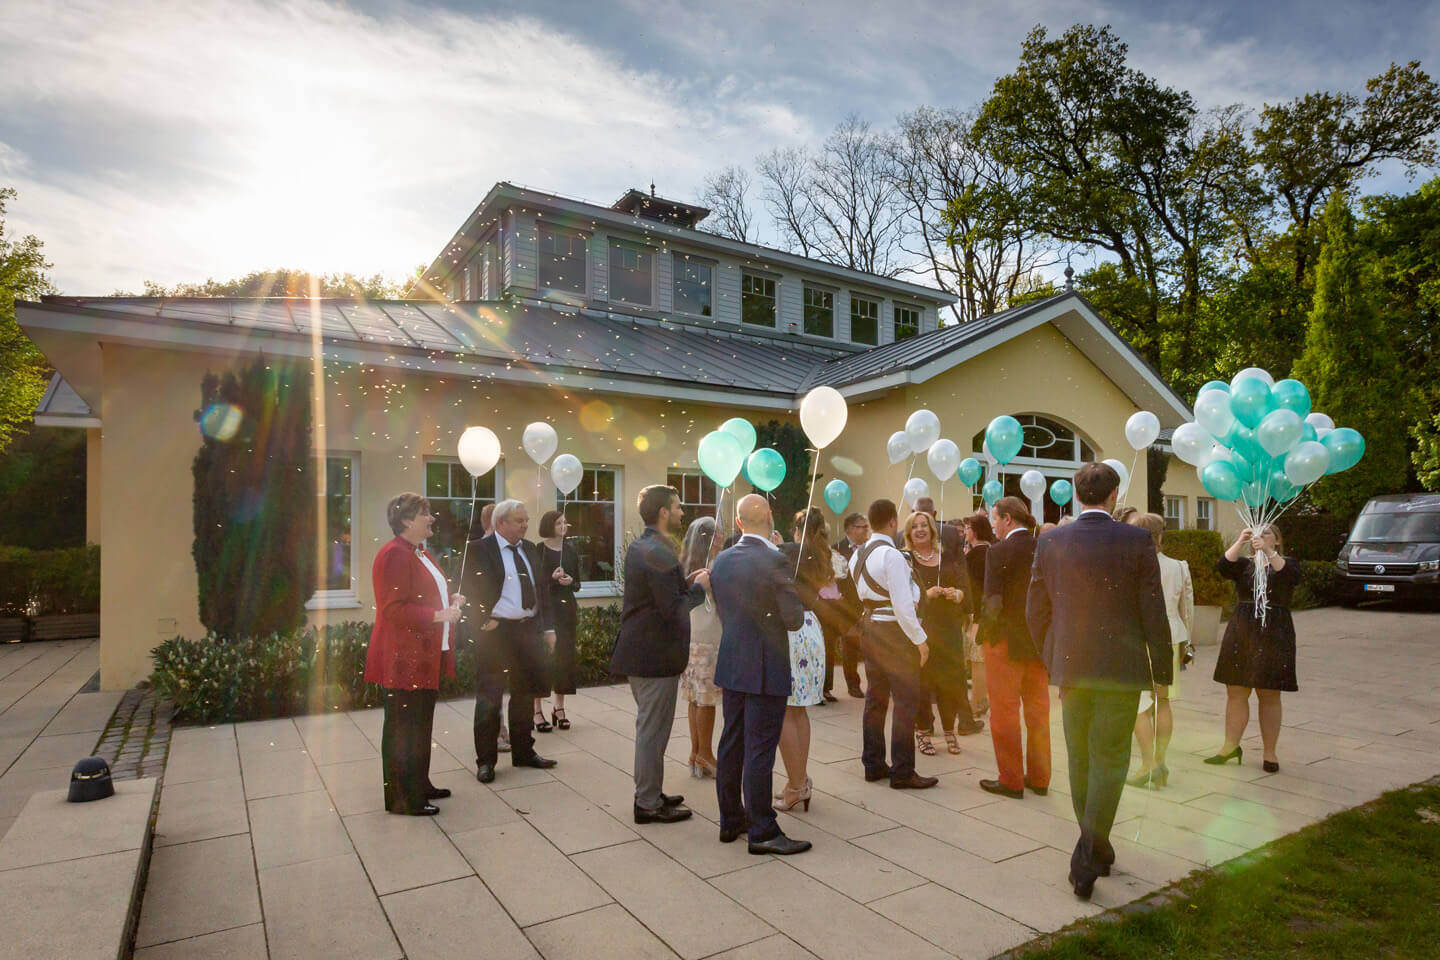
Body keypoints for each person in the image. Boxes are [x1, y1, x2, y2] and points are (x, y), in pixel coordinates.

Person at [1027, 463, 1170, 900]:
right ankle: (1091, 855)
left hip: (1073, 666)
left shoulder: (1050, 540)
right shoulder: (1137, 539)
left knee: (1081, 758)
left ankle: (1094, 848)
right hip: (1121, 668)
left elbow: (1035, 611)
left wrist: (1053, 657)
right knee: (1108, 759)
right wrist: (1162, 669)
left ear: (1077, 494)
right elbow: (1152, 608)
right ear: (1113, 496)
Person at [711, 494, 811, 855]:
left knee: (732, 741)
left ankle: (731, 819)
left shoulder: (722, 559)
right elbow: (793, 618)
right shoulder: (774, 558)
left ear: (739, 523)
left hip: (733, 659)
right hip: (766, 663)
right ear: (769, 518)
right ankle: (762, 830)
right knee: (760, 748)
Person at [610, 484, 706, 824]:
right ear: (664, 512)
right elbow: (672, 608)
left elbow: (660, 595)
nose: (682, 512)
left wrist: (686, 583)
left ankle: (651, 791)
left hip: (645, 654)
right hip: (653, 658)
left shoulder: (647, 545)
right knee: (652, 732)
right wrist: (700, 590)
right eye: (678, 507)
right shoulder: (657, 550)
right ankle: (647, 803)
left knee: (654, 730)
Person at [364, 493, 464, 816]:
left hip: (423, 657)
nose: (431, 518)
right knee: (403, 728)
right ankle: (402, 798)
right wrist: (439, 615)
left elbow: (424, 594)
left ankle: (419, 783)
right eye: (425, 513)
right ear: (407, 520)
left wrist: (450, 600)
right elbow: (393, 609)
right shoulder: (394, 554)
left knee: (420, 725)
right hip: (404, 659)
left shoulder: (419, 552)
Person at [461, 499, 557, 785]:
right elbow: (464, 588)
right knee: (490, 697)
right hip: (496, 633)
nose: (525, 525)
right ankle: (486, 761)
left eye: (526, 520)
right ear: (501, 523)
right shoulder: (478, 549)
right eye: (519, 521)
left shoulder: (529, 549)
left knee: (525, 693)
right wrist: (481, 619)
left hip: (527, 629)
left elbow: (542, 590)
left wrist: (548, 627)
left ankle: (524, 751)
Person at [851, 499, 937, 790]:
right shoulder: (892, 556)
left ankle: (873, 764)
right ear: (893, 522)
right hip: (895, 634)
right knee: (905, 702)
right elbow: (903, 607)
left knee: (875, 699)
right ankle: (902, 771)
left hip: (870, 630)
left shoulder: (857, 554)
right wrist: (920, 640)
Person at [1206, 524, 1299, 774]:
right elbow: (1222, 566)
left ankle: (1270, 752)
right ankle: (1230, 746)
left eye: (1267, 533)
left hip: (1274, 631)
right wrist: (1240, 540)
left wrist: (1268, 551)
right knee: (1236, 691)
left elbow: (1289, 576)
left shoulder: (1287, 563)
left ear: (1277, 540)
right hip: (1242, 629)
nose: (1260, 535)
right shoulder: (1244, 565)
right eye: (1257, 532)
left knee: (1269, 693)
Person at [979, 497, 1049, 800]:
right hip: (1038, 642)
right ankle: (1040, 778)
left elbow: (992, 602)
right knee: (1038, 712)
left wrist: (984, 632)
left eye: (995, 519)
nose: (993, 525)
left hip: (1005, 641)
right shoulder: (1043, 547)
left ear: (1008, 519)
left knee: (1004, 712)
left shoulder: (998, 551)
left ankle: (1011, 780)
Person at [903, 511, 982, 757]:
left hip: (948, 627)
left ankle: (949, 730)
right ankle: (922, 732)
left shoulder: (946, 556)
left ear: (932, 529)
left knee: (950, 682)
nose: (920, 529)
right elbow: (902, 598)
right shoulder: (905, 559)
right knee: (922, 683)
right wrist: (927, 595)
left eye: (924, 525)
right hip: (922, 630)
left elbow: (963, 588)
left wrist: (957, 595)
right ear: (909, 533)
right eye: (914, 526)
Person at [1126, 513, 1194, 788]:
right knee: (1162, 701)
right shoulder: (1178, 566)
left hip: (1140, 638)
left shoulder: (1132, 565)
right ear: (1161, 535)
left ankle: (1148, 764)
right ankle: (1160, 761)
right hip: (1172, 637)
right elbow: (1186, 608)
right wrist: (1188, 641)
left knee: (1138, 703)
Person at [775, 520, 829, 812]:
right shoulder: (816, 558)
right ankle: (799, 780)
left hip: (792, 633)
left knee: (785, 711)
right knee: (798, 711)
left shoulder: (788, 556)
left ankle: (796, 785)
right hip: (810, 628)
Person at [680, 516, 721, 779]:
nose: (722, 540)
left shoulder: (687, 565)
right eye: (718, 536)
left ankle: (695, 752)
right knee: (706, 700)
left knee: (695, 698)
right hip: (709, 637)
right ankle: (706, 753)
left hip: (691, 636)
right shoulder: (711, 567)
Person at [535, 510, 580, 733]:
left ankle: (559, 708)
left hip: (566, 610)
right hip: (546, 610)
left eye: (565, 522)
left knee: (564, 659)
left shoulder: (570, 549)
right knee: (543, 659)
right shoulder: (539, 550)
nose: (564, 526)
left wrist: (570, 581)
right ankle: (536, 710)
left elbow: (578, 583)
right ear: (549, 526)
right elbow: (535, 583)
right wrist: (551, 580)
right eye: (559, 523)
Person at [962, 514, 996, 716]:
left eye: (967, 528)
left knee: (977, 660)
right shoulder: (992, 552)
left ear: (974, 532)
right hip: (990, 613)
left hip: (976, 614)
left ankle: (978, 702)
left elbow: (969, 588)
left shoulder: (973, 556)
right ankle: (981, 700)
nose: (965, 532)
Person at [832, 513, 869, 698]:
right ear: (851, 529)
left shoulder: (870, 547)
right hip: (846, 604)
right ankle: (853, 684)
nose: (867, 530)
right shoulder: (836, 549)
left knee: (872, 646)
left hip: (868, 603)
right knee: (850, 646)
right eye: (863, 527)